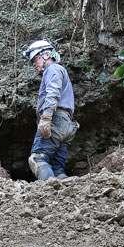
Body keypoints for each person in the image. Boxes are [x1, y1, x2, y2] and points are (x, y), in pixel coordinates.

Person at [22, 39, 77, 181]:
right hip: (67, 124)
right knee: (56, 166)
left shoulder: (52, 69)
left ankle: (48, 190)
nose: (33, 63)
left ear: (46, 54)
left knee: (37, 159)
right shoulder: (59, 71)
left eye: (35, 58)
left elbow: (53, 93)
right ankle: (65, 191)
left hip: (55, 120)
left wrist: (46, 118)